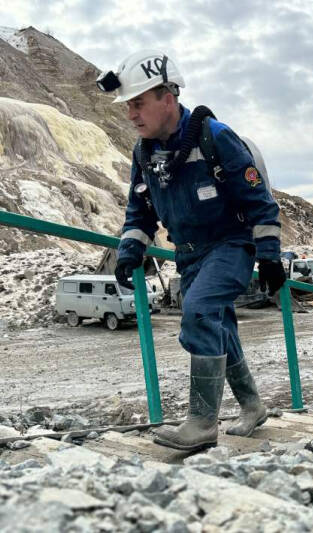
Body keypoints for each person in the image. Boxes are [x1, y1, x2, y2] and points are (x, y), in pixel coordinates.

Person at [97, 50, 285, 451]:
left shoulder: (215, 137)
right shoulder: (143, 153)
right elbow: (140, 210)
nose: (131, 114)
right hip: (189, 252)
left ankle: (202, 423)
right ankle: (253, 406)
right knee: (221, 327)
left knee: (198, 311)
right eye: (128, 105)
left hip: (232, 245)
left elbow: (259, 202)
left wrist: (269, 254)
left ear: (168, 97)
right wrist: (130, 249)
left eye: (138, 103)